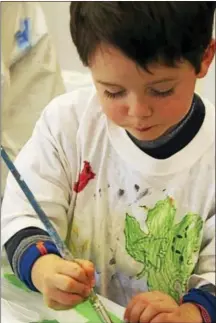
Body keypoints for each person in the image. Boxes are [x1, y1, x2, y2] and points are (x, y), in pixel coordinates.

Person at [1, 2, 216, 323]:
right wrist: (45, 269)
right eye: (113, 92)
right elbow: (24, 212)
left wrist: (192, 314)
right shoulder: (67, 124)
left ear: (204, 58)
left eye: (161, 90)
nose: (138, 111)